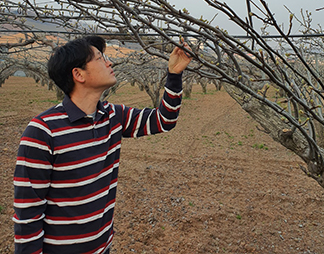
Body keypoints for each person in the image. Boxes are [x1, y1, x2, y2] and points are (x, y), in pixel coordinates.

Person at [13, 35, 191, 254]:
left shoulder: (113, 116)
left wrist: (174, 74)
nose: (110, 62)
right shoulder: (42, 131)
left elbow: (164, 120)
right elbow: (28, 213)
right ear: (78, 74)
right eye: (100, 58)